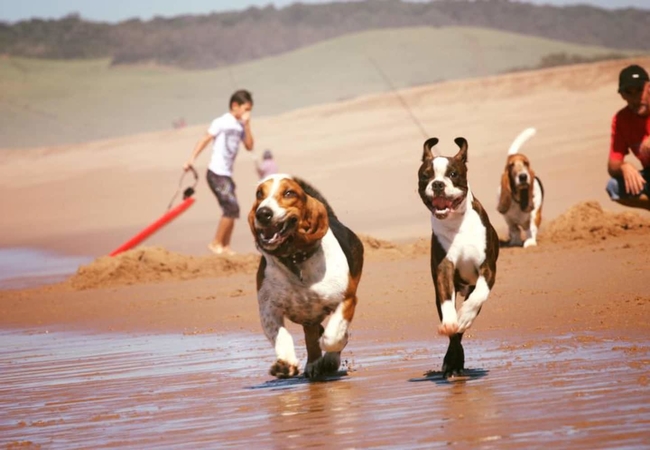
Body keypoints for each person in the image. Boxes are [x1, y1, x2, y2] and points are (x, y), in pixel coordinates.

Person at [183, 89, 254, 255]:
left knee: (232, 209)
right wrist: (191, 159)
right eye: (246, 109)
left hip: (227, 174)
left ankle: (225, 246)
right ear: (235, 105)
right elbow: (205, 138)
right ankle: (216, 243)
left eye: (250, 110)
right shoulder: (222, 121)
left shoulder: (241, 126)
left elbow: (250, 146)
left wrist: (247, 125)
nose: (247, 113)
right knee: (231, 206)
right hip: (216, 172)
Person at [605, 64, 650, 211]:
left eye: (639, 91)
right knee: (614, 187)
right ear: (622, 95)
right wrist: (623, 166)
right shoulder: (621, 119)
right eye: (629, 93)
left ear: (649, 88)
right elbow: (612, 164)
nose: (635, 98)